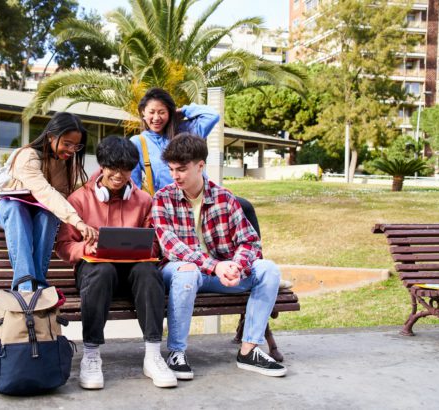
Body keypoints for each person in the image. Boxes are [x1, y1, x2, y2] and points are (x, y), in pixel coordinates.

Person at [152, 133, 287, 380]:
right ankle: (176, 353)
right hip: (182, 273)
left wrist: (236, 265)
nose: (175, 176)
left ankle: (249, 350)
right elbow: (171, 247)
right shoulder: (163, 198)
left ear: (200, 166)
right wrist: (216, 266)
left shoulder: (225, 198)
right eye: (171, 170)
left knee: (268, 269)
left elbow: (249, 240)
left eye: (181, 169)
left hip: (223, 275)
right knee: (187, 270)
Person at [56, 136, 177, 390]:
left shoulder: (144, 200)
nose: (119, 175)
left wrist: (145, 247)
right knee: (101, 269)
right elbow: (64, 246)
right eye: (113, 168)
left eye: (126, 169)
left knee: (148, 270)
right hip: (96, 273)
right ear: (102, 166)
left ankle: (153, 355)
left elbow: (154, 242)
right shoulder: (79, 199)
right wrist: (87, 247)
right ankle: (91, 355)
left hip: (133, 273)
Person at [130, 87, 261, 237]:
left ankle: (254, 255)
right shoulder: (138, 142)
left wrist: (184, 110)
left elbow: (212, 115)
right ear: (143, 112)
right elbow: (135, 186)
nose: (156, 118)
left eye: (162, 112)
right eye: (151, 112)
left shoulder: (187, 131)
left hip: (203, 197)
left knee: (244, 206)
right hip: (170, 203)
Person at [0, 112, 97, 291]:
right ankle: (25, 285)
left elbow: (62, 199)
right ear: (50, 137)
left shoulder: (66, 165)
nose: (71, 150)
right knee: (17, 210)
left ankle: (38, 282)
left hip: (38, 212)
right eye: (66, 143)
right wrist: (78, 222)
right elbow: (46, 193)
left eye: (76, 146)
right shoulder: (28, 156)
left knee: (49, 215)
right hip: (9, 207)